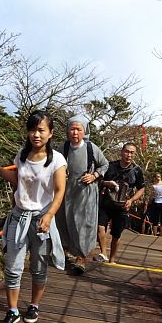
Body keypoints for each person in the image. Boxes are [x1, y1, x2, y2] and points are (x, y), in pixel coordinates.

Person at [0, 111, 67, 323]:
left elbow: (59, 192)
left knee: (38, 267)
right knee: (13, 266)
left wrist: (49, 216)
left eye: (41, 130)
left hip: (42, 219)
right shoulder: (22, 155)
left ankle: (34, 305)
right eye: (32, 130)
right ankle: (12, 311)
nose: (36, 135)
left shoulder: (57, 159)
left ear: (50, 133)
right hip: (19, 217)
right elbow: (20, 181)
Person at [55, 113, 107, 275]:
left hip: (86, 193)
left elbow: (104, 165)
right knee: (63, 220)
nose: (75, 133)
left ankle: (81, 257)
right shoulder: (62, 148)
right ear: (67, 131)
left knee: (84, 223)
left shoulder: (91, 148)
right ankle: (63, 251)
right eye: (72, 129)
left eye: (79, 129)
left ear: (84, 131)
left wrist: (94, 175)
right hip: (66, 191)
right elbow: (53, 165)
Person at [95, 142, 145, 264]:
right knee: (100, 227)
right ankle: (104, 253)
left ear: (135, 154)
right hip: (106, 203)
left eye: (132, 152)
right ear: (121, 152)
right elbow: (99, 181)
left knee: (116, 234)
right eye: (127, 151)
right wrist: (108, 183)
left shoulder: (137, 171)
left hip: (123, 205)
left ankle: (112, 260)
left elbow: (142, 188)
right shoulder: (110, 166)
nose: (129, 155)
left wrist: (132, 200)